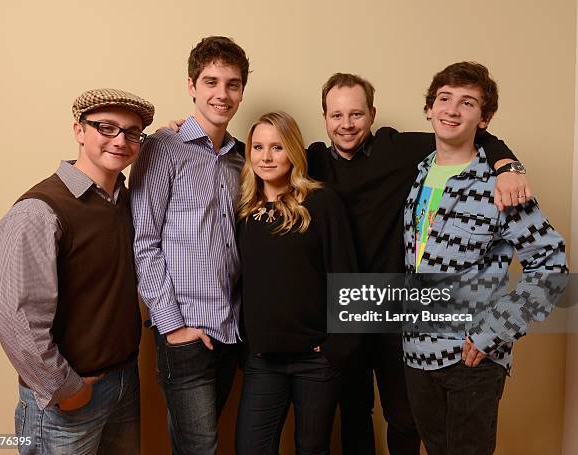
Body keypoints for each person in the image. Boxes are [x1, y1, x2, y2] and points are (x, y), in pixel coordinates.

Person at [306, 73, 529, 454]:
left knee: (405, 417)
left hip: (400, 307)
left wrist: (508, 165)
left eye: (356, 114)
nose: (346, 124)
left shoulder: (400, 149)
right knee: (354, 412)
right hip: (345, 307)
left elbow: (472, 136)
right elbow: (262, 153)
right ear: (324, 116)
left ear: (372, 114)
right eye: (337, 115)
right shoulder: (311, 160)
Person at [402, 61, 567, 455]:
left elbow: (551, 265)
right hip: (416, 354)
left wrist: (495, 331)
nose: (452, 110)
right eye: (444, 99)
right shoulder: (417, 173)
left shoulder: (502, 186)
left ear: (485, 118)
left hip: (471, 358)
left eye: (467, 103)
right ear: (429, 108)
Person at [0, 88, 155, 454]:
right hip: (67, 400)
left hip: (124, 384)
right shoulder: (39, 211)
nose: (120, 140)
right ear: (79, 131)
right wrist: (67, 389)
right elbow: (13, 317)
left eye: (132, 133)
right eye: (106, 128)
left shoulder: (126, 200)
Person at [129, 36, 249, 454]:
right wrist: (173, 326)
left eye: (232, 84)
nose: (222, 93)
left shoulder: (241, 159)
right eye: (211, 81)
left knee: (198, 445)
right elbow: (143, 243)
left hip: (231, 331)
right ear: (191, 86)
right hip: (185, 331)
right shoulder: (163, 148)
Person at [235, 111, 358, 455]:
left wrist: (337, 348)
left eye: (277, 147)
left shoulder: (322, 202)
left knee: (312, 448)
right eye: (257, 147)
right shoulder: (245, 211)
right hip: (263, 359)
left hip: (316, 359)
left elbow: (346, 276)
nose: (266, 156)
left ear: (293, 151)